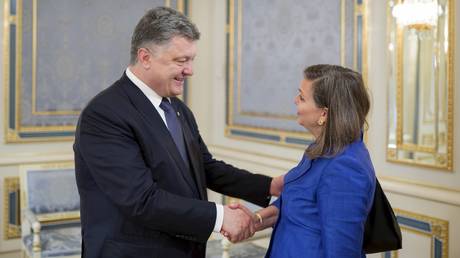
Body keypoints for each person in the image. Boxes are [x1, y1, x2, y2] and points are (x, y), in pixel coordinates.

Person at [73, 7, 283, 258]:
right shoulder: (104, 114)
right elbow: (141, 200)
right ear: (145, 57)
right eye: (181, 61)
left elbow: (205, 167)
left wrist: (269, 185)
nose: (190, 70)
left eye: (191, 59)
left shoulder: (178, 109)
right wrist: (221, 217)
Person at [233, 64, 376, 257]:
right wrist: (255, 219)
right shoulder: (319, 150)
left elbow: (341, 252)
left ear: (324, 114)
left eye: (301, 97)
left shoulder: (346, 167)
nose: (295, 100)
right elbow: (294, 204)